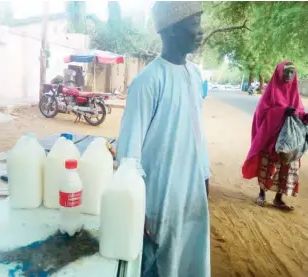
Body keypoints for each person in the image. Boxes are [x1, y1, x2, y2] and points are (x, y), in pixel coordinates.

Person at [116, 2, 210, 277]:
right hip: (160, 198)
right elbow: (128, 153)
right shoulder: (148, 82)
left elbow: (196, 134)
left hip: (191, 194)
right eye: (194, 23)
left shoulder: (194, 75)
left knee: (188, 259)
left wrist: (204, 177)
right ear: (170, 30)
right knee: (159, 263)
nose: (201, 31)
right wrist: (137, 207)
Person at [242, 61, 308, 211]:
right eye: (286, 72)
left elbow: (299, 111)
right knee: (267, 164)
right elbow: (262, 113)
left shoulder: (294, 93)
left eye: (292, 72)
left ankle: (279, 198)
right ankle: (262, 194)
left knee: (286, 166)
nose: (289, 75)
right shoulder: (270, 92)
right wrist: (282, 112)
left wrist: (304, 117)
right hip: (271, 137)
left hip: (289, 140)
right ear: (279, 73)